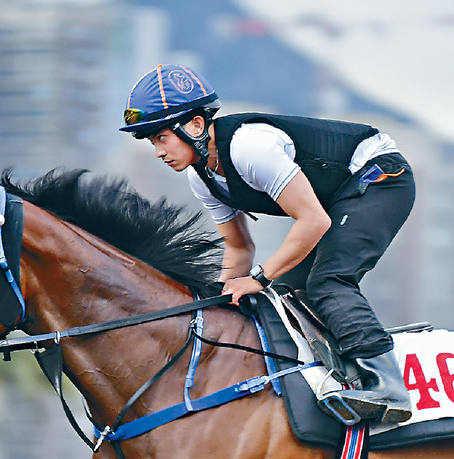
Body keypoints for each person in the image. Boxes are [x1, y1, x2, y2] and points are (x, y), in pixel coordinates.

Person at [120, 63, 415, 424]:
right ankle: (341, 377)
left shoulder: (249, 147)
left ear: (195, 125)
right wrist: (221, 299)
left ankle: (388, 386)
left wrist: (258, 279)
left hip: (380, 177)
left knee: (328, 280)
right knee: (286, 292)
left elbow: (314, 221)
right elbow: (239, 248)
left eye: (161, 138)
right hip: (339, 198)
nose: (158, 152)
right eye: (151, 142)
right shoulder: (202, 179)